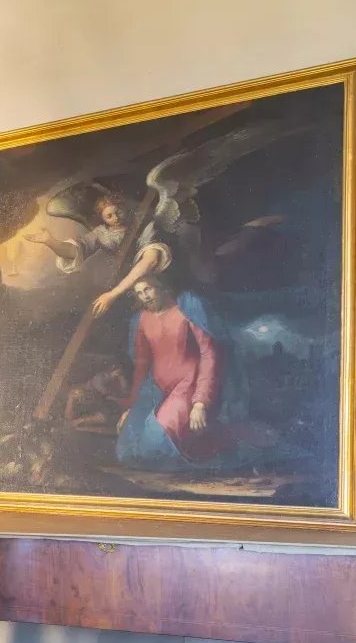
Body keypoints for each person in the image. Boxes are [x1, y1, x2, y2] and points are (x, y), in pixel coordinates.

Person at [116, 276, 230, 468]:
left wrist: (200, 403)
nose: (145, 296)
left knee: (156, 438)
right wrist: (133, 406)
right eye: (139, 293)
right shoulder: (142, 319)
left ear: (162, 288)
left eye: (148, 289)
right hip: (156, 388)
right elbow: (142, 365)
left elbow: (208, 354)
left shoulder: (186, 312)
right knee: (129, 446)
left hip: (188, 386)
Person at [23, 192, 174, 318]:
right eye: (109, 216)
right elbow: (76, 250)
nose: (116, 218)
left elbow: (150, 260)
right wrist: (51, 242)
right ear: (102, 218)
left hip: (156, 278)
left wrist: (113, 294)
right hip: (123, 282)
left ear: (124, 208)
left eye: (118, 212)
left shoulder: (143, 224)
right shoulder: (101, 233)